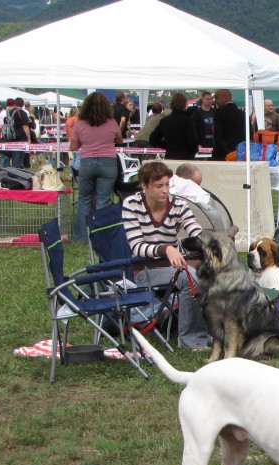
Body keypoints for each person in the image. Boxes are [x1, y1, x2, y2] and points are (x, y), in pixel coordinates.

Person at [123, 160, 211, 350]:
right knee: (193, 279)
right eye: (159, 186)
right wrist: (167, 249)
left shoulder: (177, 204)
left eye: (167, 185)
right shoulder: (131, 204)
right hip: (146, 269)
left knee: (212, 274)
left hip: (175, 266)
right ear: (144, 185)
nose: (165, 190)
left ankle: (215, 330)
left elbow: (194, 229)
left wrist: (211, 242)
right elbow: (137, 246)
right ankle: (190, 339)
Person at [70, 91, 123, 243]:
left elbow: (73, 146)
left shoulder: (79, 123)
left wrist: (85, 142)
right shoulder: (111, 122)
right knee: (103, 200)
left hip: (87, 162)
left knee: (84, 200)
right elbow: (119, 139)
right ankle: (101, 236)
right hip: (108, 162)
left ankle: (81, 237)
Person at [150, 93, 198, 160]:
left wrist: (167, 146)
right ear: (184, 104)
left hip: (170, 156)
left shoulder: (164, 121)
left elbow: (153, 140)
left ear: (171, 104)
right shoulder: (187, 121)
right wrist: (194, 150)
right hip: (186, 157)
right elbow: (192, 142)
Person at [211, 89, 246, 160]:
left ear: (226, 97)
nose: (215, 101)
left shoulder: (219, 112)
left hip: (222, 154)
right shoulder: (242, 114)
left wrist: (227, 150)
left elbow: (217, 137)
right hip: (239, 153)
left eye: (217, 97)